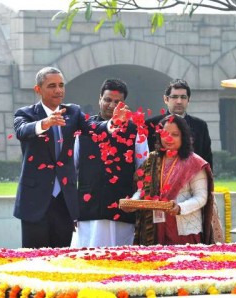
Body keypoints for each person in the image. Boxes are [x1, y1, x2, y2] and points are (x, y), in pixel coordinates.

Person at [13, 66, 112, 248]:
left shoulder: (72, 112)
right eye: (52, 86)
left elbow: (92, 128)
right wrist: (45, 123)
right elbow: (22, 131)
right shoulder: (25, 114)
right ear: (38, 89)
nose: (58, 90)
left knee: (61, 258)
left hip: (64, 201)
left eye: (61, 85)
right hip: (35, 200)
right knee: (34, 259)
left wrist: (112, 124)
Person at [121, 115, 223, 245]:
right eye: (165, 133)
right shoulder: (152, 160)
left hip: (185, 228)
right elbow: (143, 191)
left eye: (175, 134)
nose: (169, 138)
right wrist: (133, 203)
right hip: (156, 228)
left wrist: (180, 207)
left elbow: (201, 197)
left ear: (183, 137)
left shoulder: (194, 162)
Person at [74, 78, 149, 247]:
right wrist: (71, 208)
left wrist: (136, 199)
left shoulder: (136, 131)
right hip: (89, 208)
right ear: (99, 99)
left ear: (124, 104)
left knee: (120, 261)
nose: (112, 105)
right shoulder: (84, 129)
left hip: (122, 208)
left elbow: (144, 169)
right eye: (107, 100)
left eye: (117, 102)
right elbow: (72, 169)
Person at [146, 79, 213, 169]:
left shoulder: (200, 126)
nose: (179, 101)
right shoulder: (151, 125)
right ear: (166, 99)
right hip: (161, 179)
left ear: (188, 100)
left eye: (183, 97)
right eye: (174, 97)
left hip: (193, 179)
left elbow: (207, 159)